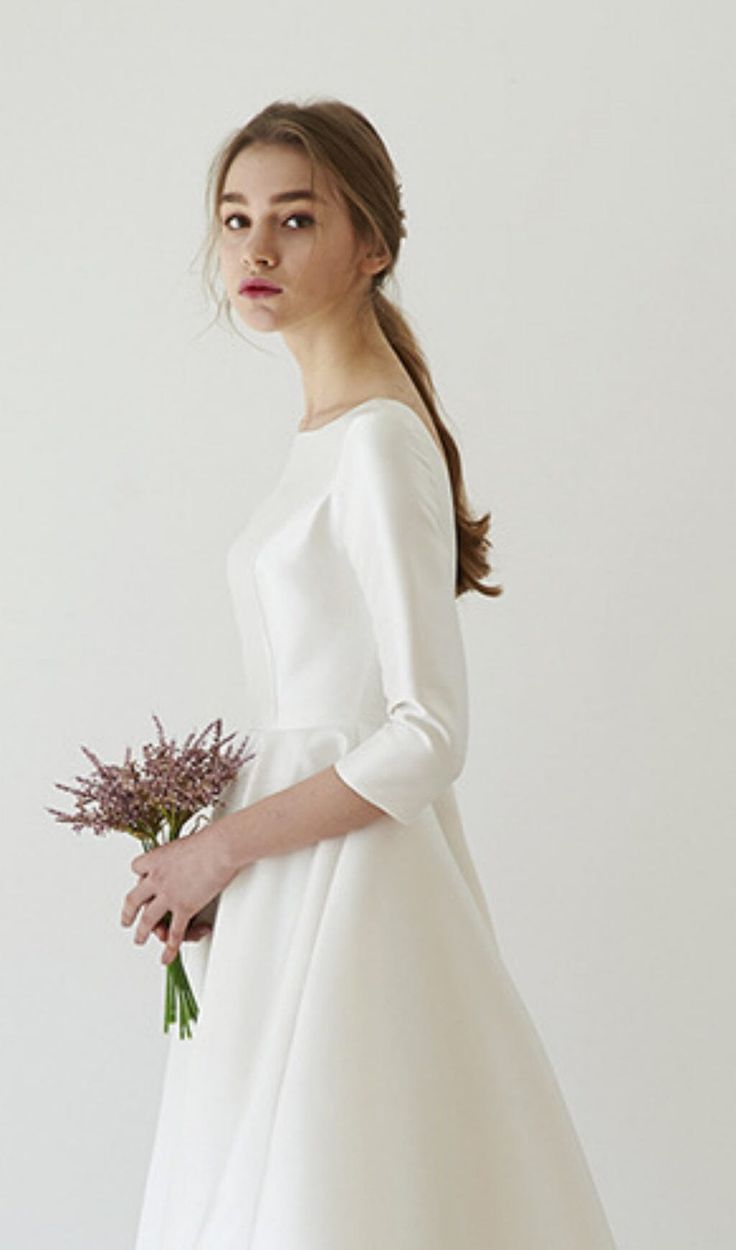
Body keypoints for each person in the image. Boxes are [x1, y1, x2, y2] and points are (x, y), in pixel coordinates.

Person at [122, 98, 619, 1250]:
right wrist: (220, 871)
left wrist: (221, 845)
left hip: (359, 898)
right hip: (294, 880)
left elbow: (425, 730)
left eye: (295, 219)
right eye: (235, 218)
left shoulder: (380, 440)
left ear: (371, 246)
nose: (254, 250)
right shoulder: (328, 434)